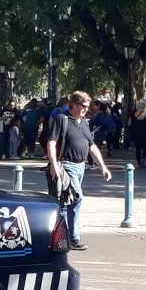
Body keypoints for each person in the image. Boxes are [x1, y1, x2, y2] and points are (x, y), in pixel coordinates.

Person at [46, 91, 111, 251]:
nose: (86, 109)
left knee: (65, 203)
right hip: (66, 166)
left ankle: (62, 237)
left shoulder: (84, 122)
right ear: (74, 104)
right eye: (84, 106)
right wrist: (54, 164)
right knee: (76, 198)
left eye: (88, 107)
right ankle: (72, 238)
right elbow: (51, 142)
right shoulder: (62, 119)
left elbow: (91, 146)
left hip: (80, 166)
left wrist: (103, 166)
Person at [128, 101, 146, 169]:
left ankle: (139, 161)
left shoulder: (132, 114)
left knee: (138, 148)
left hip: (136, 133)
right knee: (145, 147)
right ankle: (143, 159)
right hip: (145, 133)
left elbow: (129, 123)